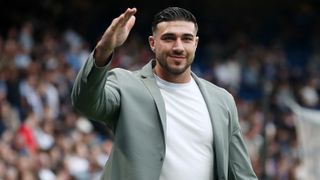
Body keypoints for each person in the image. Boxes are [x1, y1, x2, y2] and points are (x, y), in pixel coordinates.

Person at [71, 7, 258, 180]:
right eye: (169, 38)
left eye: (186, 38)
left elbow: (241, 172)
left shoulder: (222, 100)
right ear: (152, 43)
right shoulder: (125, 84)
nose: (178, 47)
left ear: (196, 43)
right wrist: (104, 48)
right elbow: (85, 102)